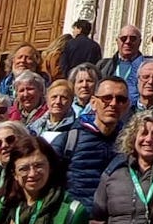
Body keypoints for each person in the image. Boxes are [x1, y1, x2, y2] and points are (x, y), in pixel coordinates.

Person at [53, 75, 132, 207]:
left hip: (115, 222)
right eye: (107, 98)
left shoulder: (131, 142)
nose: (113, 104)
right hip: (77, 220)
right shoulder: (69, 140)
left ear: (127, 105)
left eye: (120, 99)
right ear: (94, 103)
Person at [97, 25, 146, 104]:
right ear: (117, 41)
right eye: (123, 38)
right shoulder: (103, 65)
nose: (128, 42)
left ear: (139, 42)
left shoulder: (147, 67)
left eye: (133, 39)